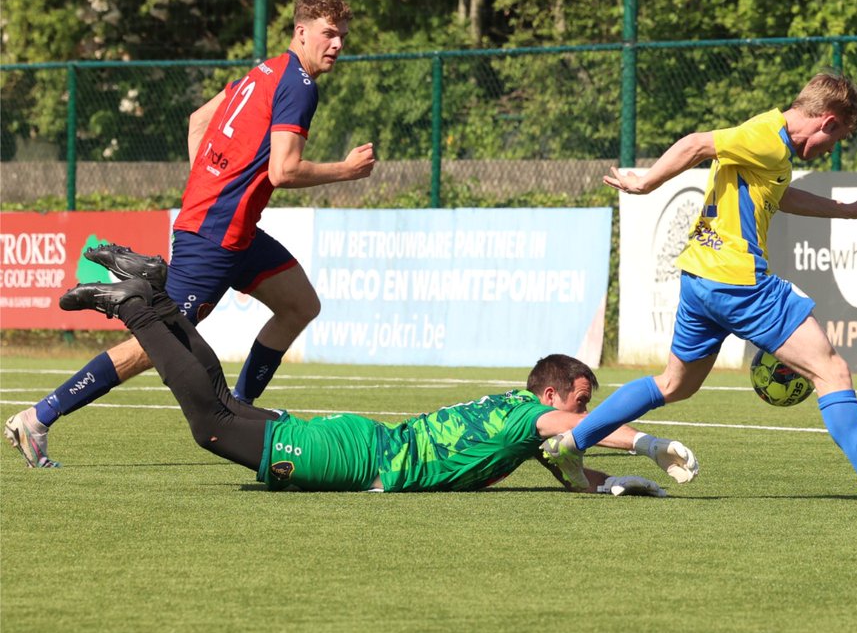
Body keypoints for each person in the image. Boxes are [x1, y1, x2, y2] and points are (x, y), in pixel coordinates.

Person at [5, 0, 375, 469]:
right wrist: (345, 171)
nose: (337, 44)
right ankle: (38, 417)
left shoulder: (261, 72)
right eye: (328, 33)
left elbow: (197, 121)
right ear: (300, 32)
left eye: (342, 36)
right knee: (153, 346)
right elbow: (284, 171)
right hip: (215, 236)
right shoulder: (300, 85)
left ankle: (240, 407)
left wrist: (207, 185)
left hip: (232, 230)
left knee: (300, 304)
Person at [540, 71, 857, 509]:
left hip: (700, 277)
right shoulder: (766, 136)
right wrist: (647, 182)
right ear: (827, 122)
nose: (832, 149)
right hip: (738, 280)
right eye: (836, 139)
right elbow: (696, 143)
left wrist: (845, 212)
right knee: (831, 371)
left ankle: (571, 443)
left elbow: (780, 194)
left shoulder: (770, 143)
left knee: (674, 384)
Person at [53, 249, 699, 495]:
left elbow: (574, 469)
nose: (585, 414)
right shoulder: (536, 416)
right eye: (582, 402)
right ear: (554, 394)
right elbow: (579, 435)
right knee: (211, 424)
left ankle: (153, 296)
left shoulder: (528, 426)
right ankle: (140, 305)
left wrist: (621, 485)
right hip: (364, 460)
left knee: (219, 403)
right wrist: (647, 441)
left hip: (362, 443)